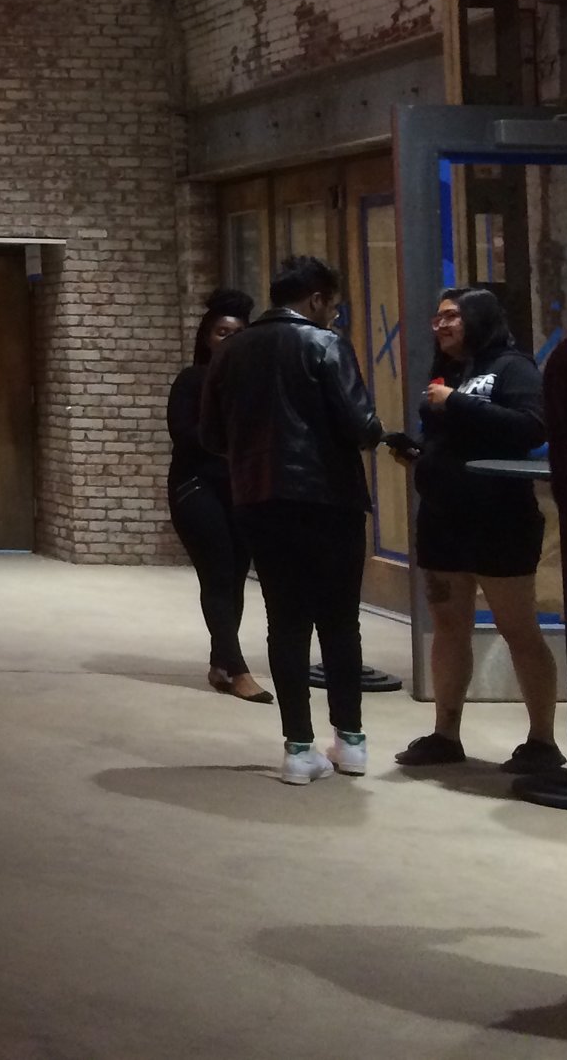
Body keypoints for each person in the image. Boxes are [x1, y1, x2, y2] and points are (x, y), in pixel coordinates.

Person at [199, 254, 384, 785]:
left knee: (285, 622)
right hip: (330, 501)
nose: (334, 317)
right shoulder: (325, 344)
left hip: (258, 498)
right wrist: (377, 433)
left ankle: (298, 749)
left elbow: (212, 436)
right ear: (318, 299)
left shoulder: (230, 353)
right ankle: (350, 742)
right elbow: (359, 424)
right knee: (339, 621)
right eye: (333, 307)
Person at [391, 287, 564, 774]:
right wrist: (420, 454)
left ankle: (542, 742)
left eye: (451, 316)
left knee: (518, 629)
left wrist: (456, 404)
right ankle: (446, 733)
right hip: (444, 520)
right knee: (448, 628)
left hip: (501, 521)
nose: (440, 325)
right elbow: (450, 435)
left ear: (478, 318)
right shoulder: (445, 372)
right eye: (437, 317)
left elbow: (532, 428)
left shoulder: (514, 367)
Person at [167, 288, 268, 702]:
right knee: (218, 572)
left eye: (238, 333)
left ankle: (220, 662)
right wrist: (234, 441)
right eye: (222, 332)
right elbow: (186, 436)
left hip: (241, 489)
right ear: (207, 337)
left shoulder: (254, 383)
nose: (229, 339)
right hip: (196, 487)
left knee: (236, 576)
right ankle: (239, 669)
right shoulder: (192, 380)